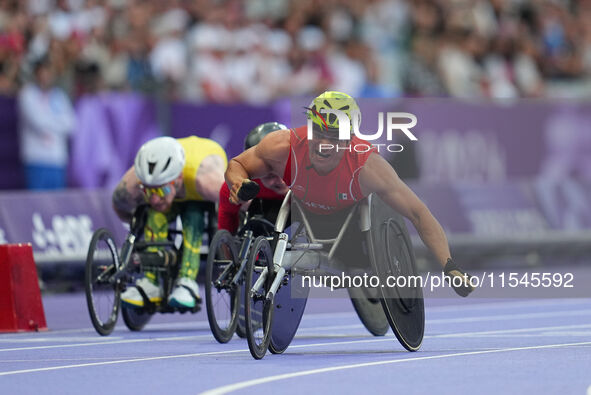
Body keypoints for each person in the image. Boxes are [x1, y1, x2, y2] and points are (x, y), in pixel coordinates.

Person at [225, 91, 474, 297]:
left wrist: (448, 265)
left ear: (349, 138)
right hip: (299, 214)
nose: (324, 143)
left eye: (334, 137)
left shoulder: (368, 166)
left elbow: (419, 214)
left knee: (356, 263)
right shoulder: (281, 145)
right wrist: (238, 183)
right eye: (319, 133)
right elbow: (238, 164)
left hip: (349, 227)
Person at [112, 135, 227, 309]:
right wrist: (137, 225)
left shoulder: (208, 181)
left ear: (178, 179)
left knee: (193, 213)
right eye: (149, 191)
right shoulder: (133, 183)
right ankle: (150, 282)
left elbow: (241, 206)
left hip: (199, 178)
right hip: (179, 176)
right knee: (154, 212)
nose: (156, 198)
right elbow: (119, 205)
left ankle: (187, 281)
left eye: (161, 190)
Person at [218, 122, 289, 234]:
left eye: (285, 170)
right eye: (270, 175)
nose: (281, 180)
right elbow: (226, 224)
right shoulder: (241, 182)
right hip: (265, 210)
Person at [18, 56, 76, 190]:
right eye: (42, 72)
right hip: (36, 158)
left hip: (57, 159)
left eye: (49, 72)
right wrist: (57, 121)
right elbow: (38, 122)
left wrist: (49, 121)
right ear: (36, 74)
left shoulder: (59, 96)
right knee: (36, 204)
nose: (46, 76)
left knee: (57, 206)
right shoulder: (28, 94)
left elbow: (71, 124)